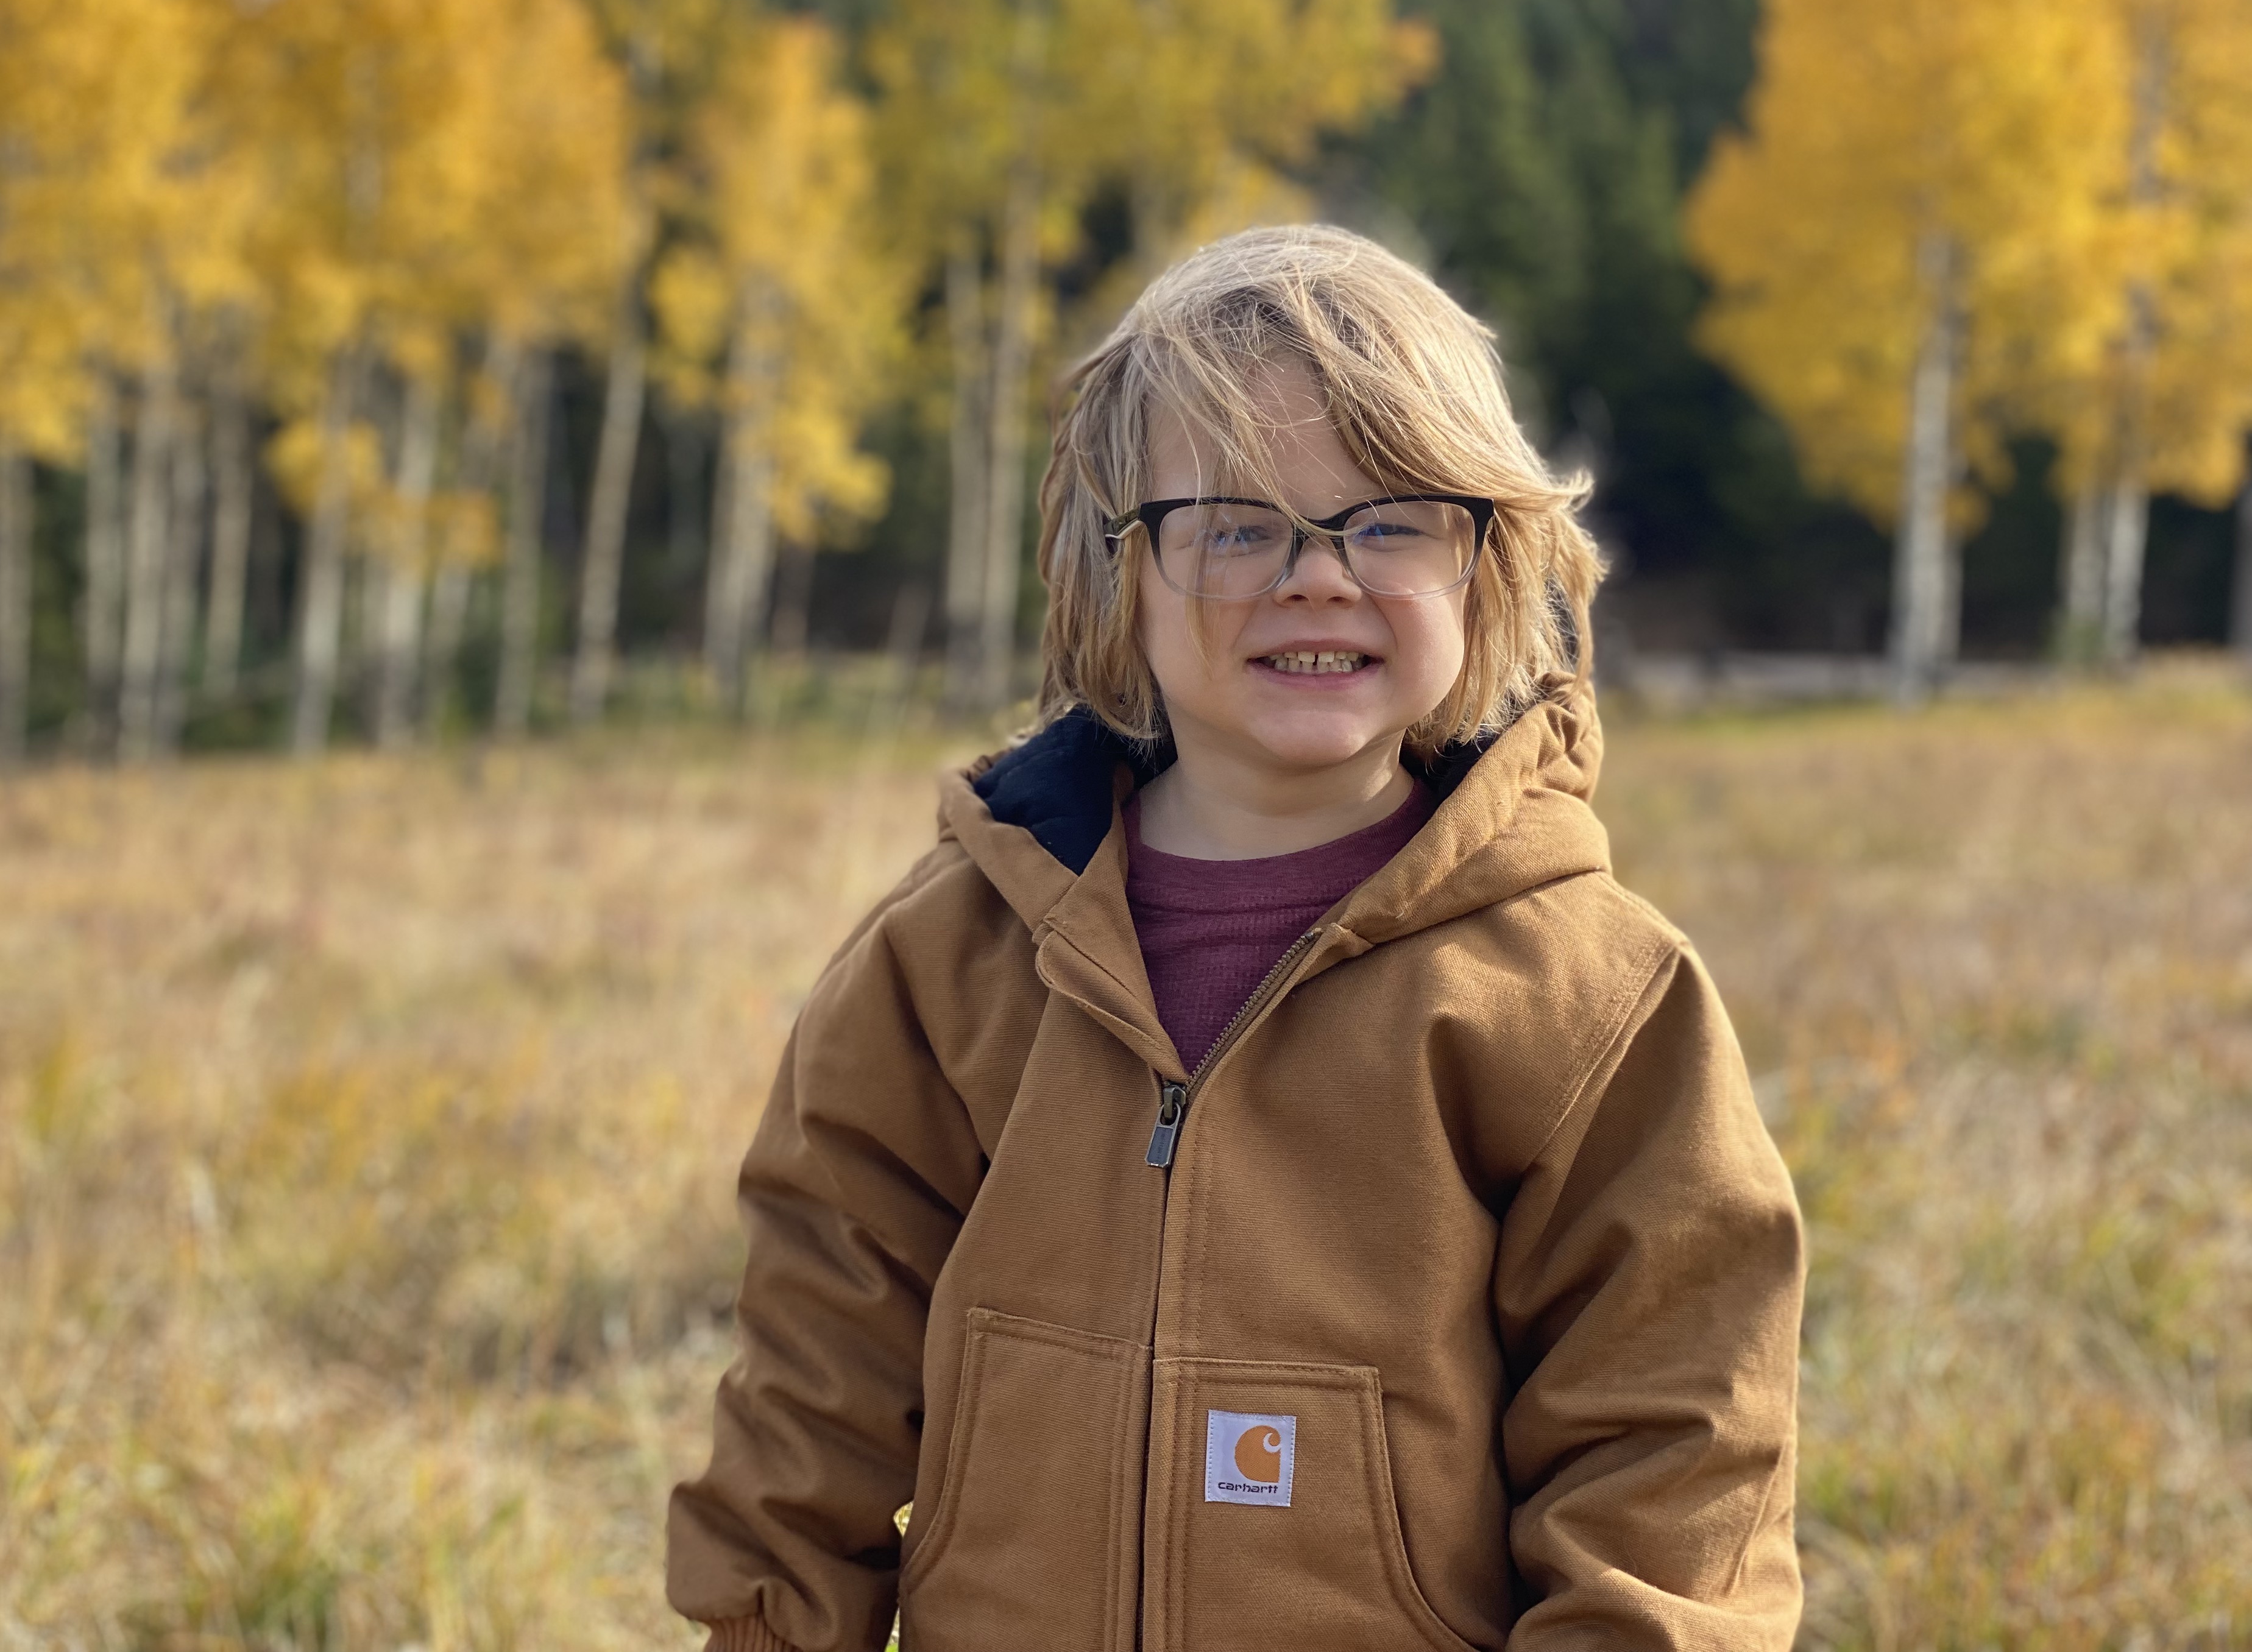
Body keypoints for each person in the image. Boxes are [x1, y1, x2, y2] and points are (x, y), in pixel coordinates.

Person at [666, 225, 1804, 1652]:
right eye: (1234, 523)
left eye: (1391, 519)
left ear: (1487, 562)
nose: (1316, 575)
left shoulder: (1593, 1001)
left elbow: (1672, 1468)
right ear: (1119, 569)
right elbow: (809, 1410)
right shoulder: (944, 963)